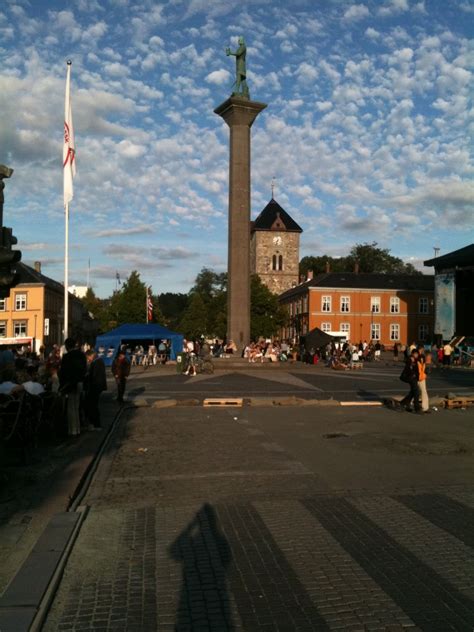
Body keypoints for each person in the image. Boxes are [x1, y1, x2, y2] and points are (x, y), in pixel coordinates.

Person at [59, 338, 87, 436]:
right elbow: (84, 369)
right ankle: (78, 428)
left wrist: (62, 386)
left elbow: (63, 372)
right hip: (80, 382)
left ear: (67, 346)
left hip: (70, 384)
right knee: (77, 406)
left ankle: (73, 430)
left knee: (71, 408)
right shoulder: (82, 355)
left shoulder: (67, 357)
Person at [84, 349, 107, 429]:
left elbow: (94, 376)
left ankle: (96, 424)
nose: (88, 360)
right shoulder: (98, 361)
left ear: (91, 355)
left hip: (95, 387)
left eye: (88, 358)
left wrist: (87, 375)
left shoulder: (96, 362)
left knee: (93, 406)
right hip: (97, 386)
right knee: (93, 405)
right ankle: (95, 424)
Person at [399, 349, 422, 414]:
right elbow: (407, 364)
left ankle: (403, 403)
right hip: (409, 377)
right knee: (416, 392)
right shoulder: (409, 360)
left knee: (413, 392)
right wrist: (411, 362)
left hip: (414, 378)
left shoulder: (417, 359)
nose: (416, 355)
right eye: (415, 354)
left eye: (417, 354)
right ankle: (417, 408)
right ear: (412, 354)